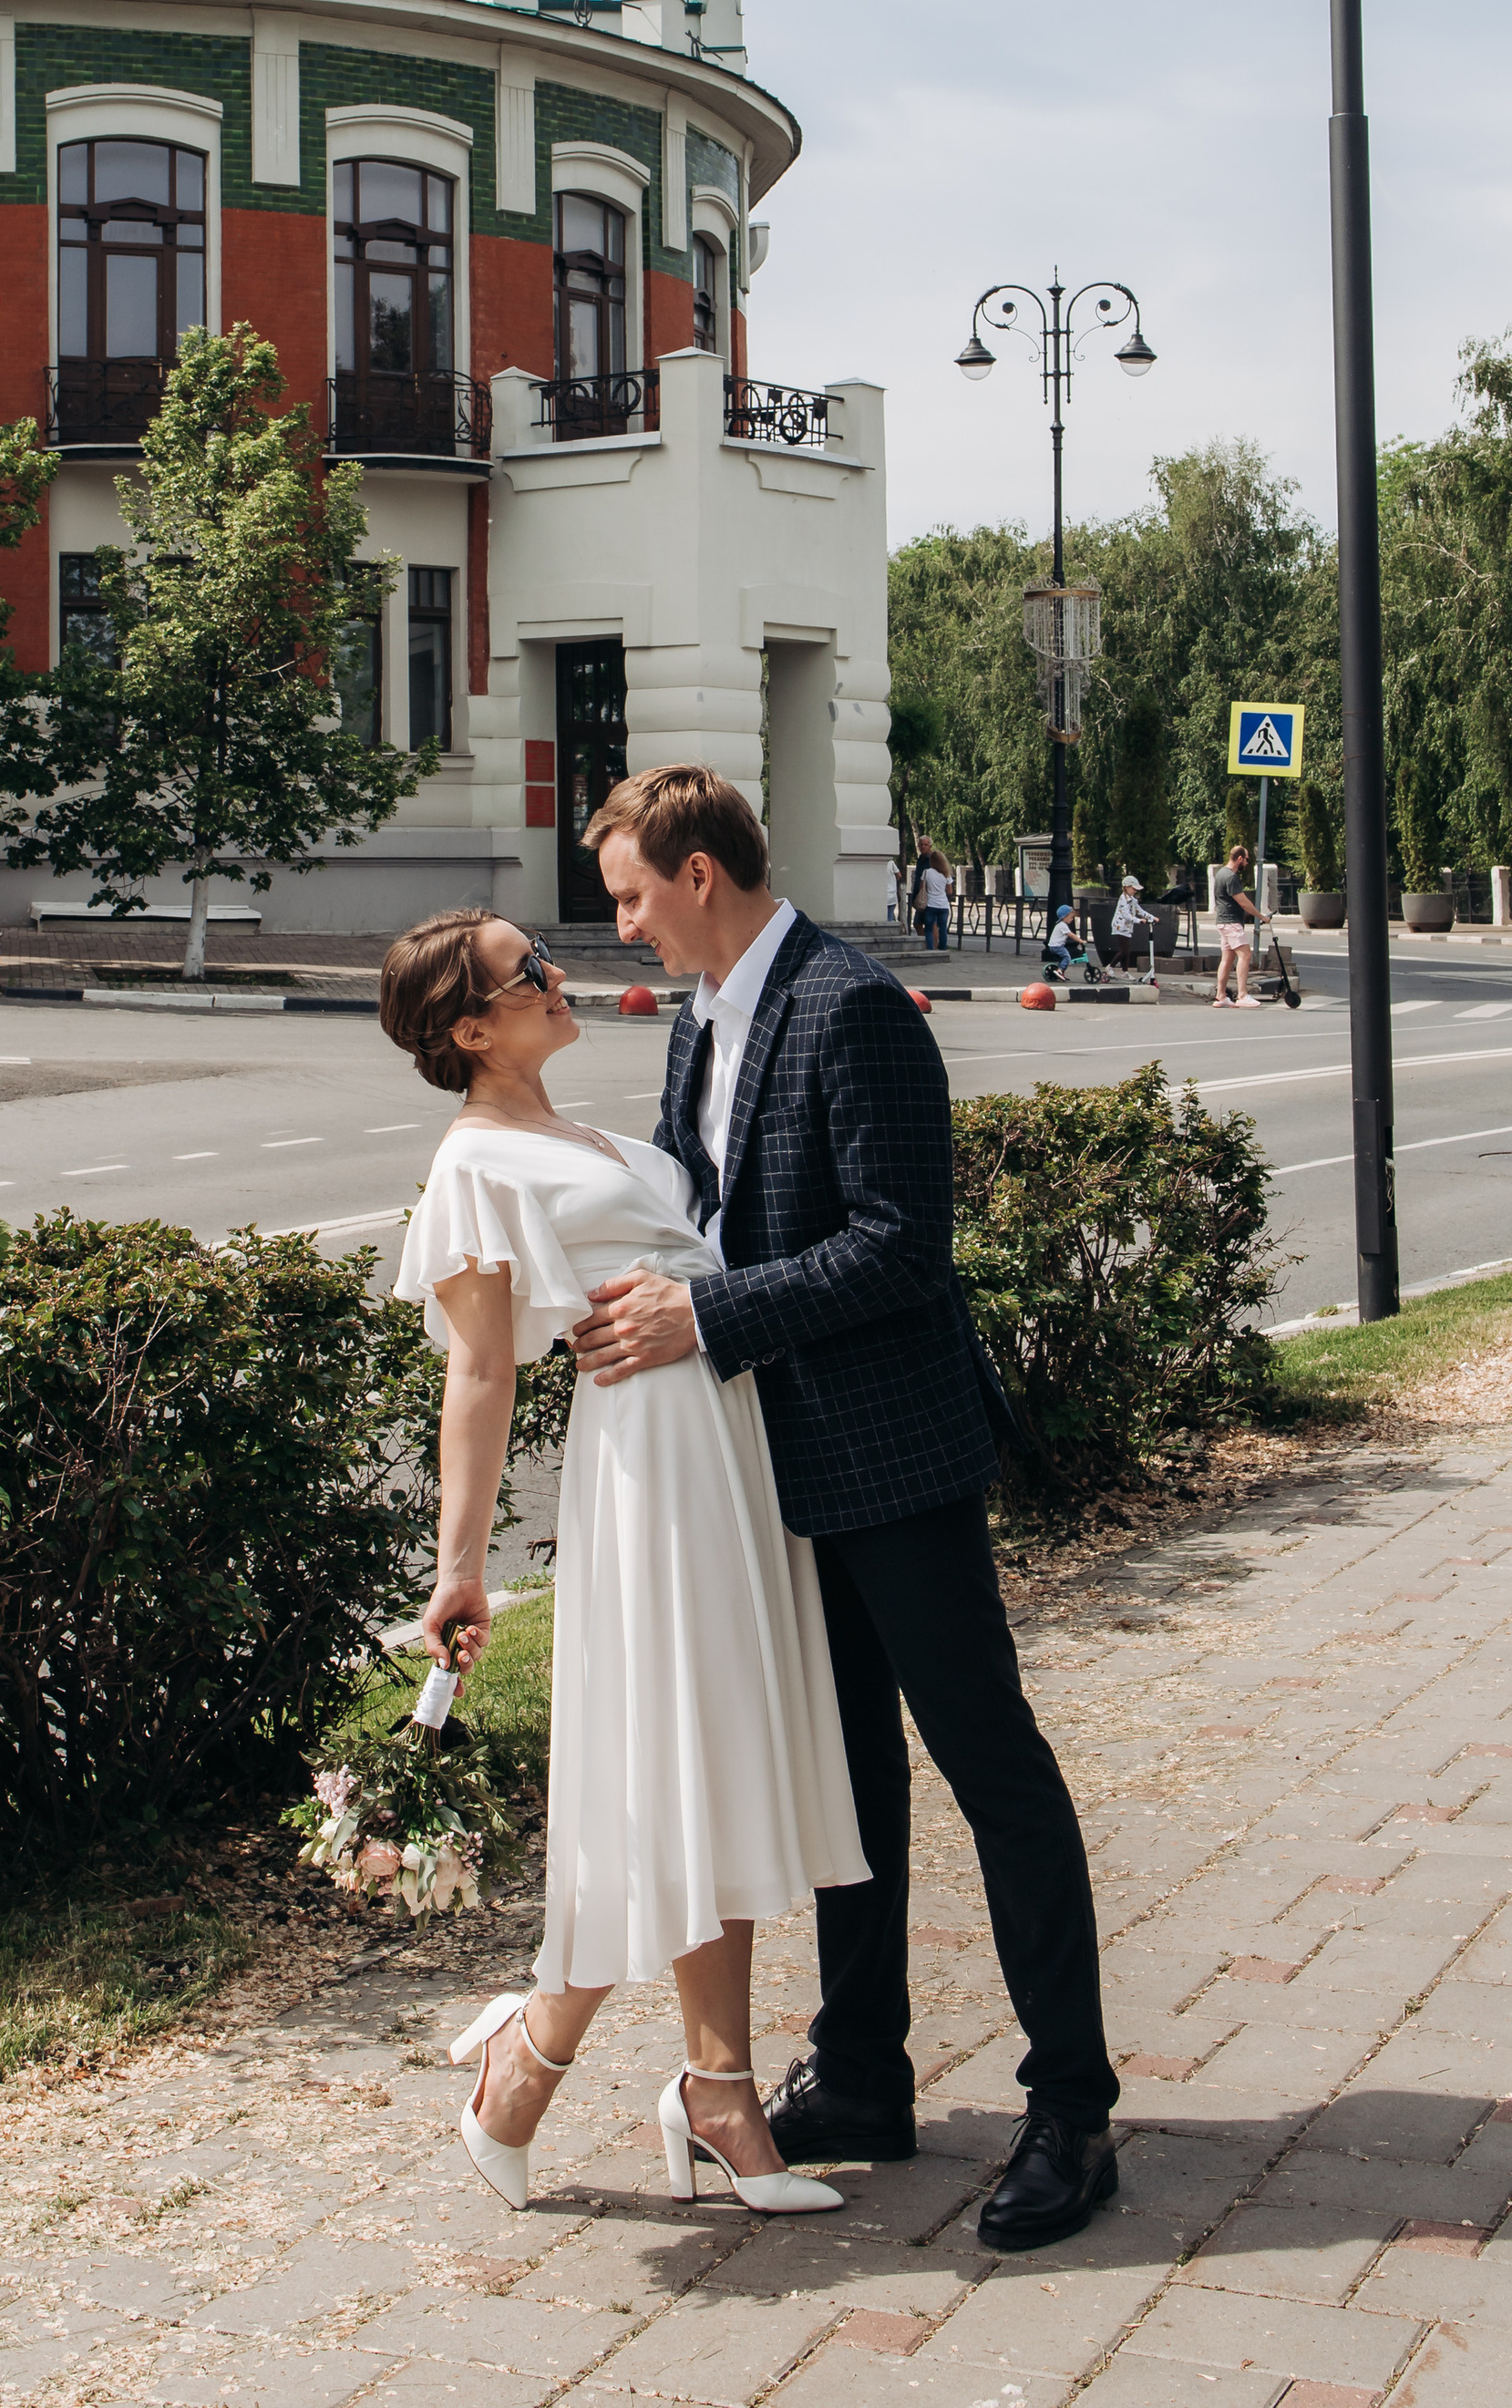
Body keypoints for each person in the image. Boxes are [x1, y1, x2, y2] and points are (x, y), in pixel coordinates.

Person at [575, 765, 1119, 2253]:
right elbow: (702, 1205)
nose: (620, 926)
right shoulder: (701, 1014)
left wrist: (711, 1321)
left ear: (699, 875)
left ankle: (1072, 2107)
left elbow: (899, 1248)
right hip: (771, 1466)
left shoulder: (852, 1005)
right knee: (849, 1784)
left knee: (988, 1764)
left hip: (897, 1459)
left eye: (630, 894)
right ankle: (864, 2075)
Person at [382, 908, 864, 2222]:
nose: (553, 971)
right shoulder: (477, 1162)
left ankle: (716, 2090)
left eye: (540, 950)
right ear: (470, 1028)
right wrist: (459, 1567)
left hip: (721, 1449)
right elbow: (479, 1373)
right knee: (657, 1773)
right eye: (521, 970)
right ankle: (534, 2066)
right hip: (647, 1471)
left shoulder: (577, 1135)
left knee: (719, 1768)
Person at [1209, 839, 1261, 1008]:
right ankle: (1242, 995)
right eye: (1246, 859)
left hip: (1223, 921)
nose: (1247, 862)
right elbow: (1243, 902)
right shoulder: (1231, 877)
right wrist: (1261, 917)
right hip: (1231, 922)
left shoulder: (1221, 874)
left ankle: (1221, 996)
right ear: (1239, 858)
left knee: (1227, 958)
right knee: (1245, 955)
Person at [1109, 874, 1154, 973]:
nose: (1135, 891)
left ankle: (1125, 972)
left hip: (1127, 928)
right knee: (1125, 951)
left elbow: (1140, 911)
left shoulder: (1132, 900)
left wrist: (1152, 917)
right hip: (1120, 927)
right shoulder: (1123, 900)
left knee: (1127, 951)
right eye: (1134, 889)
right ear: (1127, 887)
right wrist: (1139, 920)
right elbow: (1126, 916)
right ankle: (1110, 967)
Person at [916, 847, 951, 955]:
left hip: (931, 904)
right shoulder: (946, 874)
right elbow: (950, 891)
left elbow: (922, 888)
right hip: (944, 905)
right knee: (943, 929)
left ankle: (930, 949)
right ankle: (942, 949)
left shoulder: (927, 872)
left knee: (928, 929)